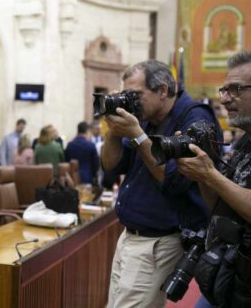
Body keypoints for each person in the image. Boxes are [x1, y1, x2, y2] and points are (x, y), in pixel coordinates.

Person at [101, 59, 218, 307]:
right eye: (125, 95)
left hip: (159, 241)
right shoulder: (144, 117)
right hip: (129, 236)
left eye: (135, 95)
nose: (130, 101)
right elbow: (111, 166)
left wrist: (137, 134)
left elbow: (174, 179)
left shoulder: (194, 117)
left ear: (163, 90)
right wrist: (113, 126)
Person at [176, 50, 251, 308]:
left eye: (236, 89)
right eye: (224, 90)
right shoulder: (244, 142)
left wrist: (210, 174)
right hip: (230, 273)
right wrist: (200, 174)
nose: (226, 99)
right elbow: (219, 207)